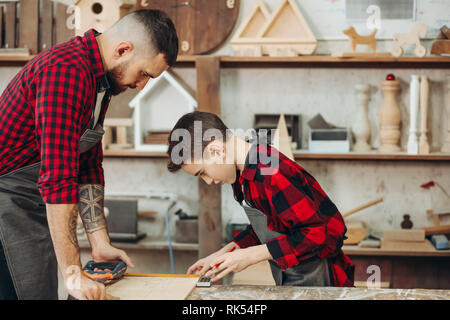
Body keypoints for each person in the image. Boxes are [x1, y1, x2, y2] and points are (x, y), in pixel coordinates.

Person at [0, 9, 178, 300]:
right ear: (123, 50)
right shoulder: (66, 72)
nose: (142, 85)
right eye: (144, 73)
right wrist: (73, 274)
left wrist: (100, 242)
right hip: (7, 201)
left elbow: (89, 165)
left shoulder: (100, 81)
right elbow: (58, 180)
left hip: (31, 199)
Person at [166, 111, 354, 287]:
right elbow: (272, 224)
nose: (207, 182)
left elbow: (318, 233)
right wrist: (228, 251)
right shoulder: (244, 173)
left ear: (217, 151)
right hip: (293, 275)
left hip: (319, 278)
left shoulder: (269, 172)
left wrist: (252, 255)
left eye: (203, 173)